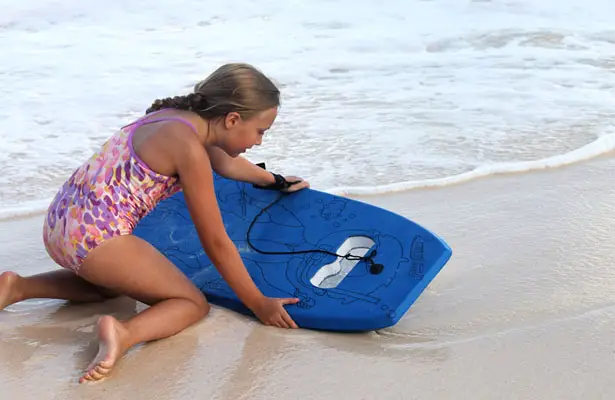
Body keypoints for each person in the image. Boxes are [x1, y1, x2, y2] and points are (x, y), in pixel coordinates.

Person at [0, 63, 309, 383]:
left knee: (111, 288)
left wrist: (272, 179)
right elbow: (216, 242)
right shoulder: (190, 151)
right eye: (261, 131)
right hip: (98, 239)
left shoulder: (175, 118)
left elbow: (227, 164)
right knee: (189, 303)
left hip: (60, 224)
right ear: (232, 119)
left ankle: (19, 287)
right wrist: (258, 303)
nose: (259, 142)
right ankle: (123, 333)